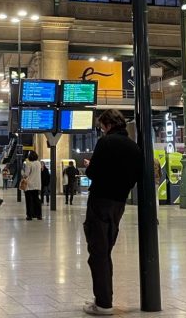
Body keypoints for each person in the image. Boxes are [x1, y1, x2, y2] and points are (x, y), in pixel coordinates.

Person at [82, 109, 142, 316]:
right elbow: (136, 175)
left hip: (100, 201)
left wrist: (92, 166)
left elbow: (93, 172)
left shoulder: (105, 142)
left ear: (107, 125)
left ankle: (103, 303)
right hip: (119, 203)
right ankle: (103, 299)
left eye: (102, 127)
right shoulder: (134, 147)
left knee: (98, 253)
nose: (102, 130)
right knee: (106, 250)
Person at [22, 151, 42, 221]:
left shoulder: (29, 164)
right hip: (37, 184)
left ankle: (29, 215)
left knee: (29, 201)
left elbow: (26, 174)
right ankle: (38, 215)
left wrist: (23, 175)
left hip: (29, 185)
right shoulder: (38, 163)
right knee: (36, 200)